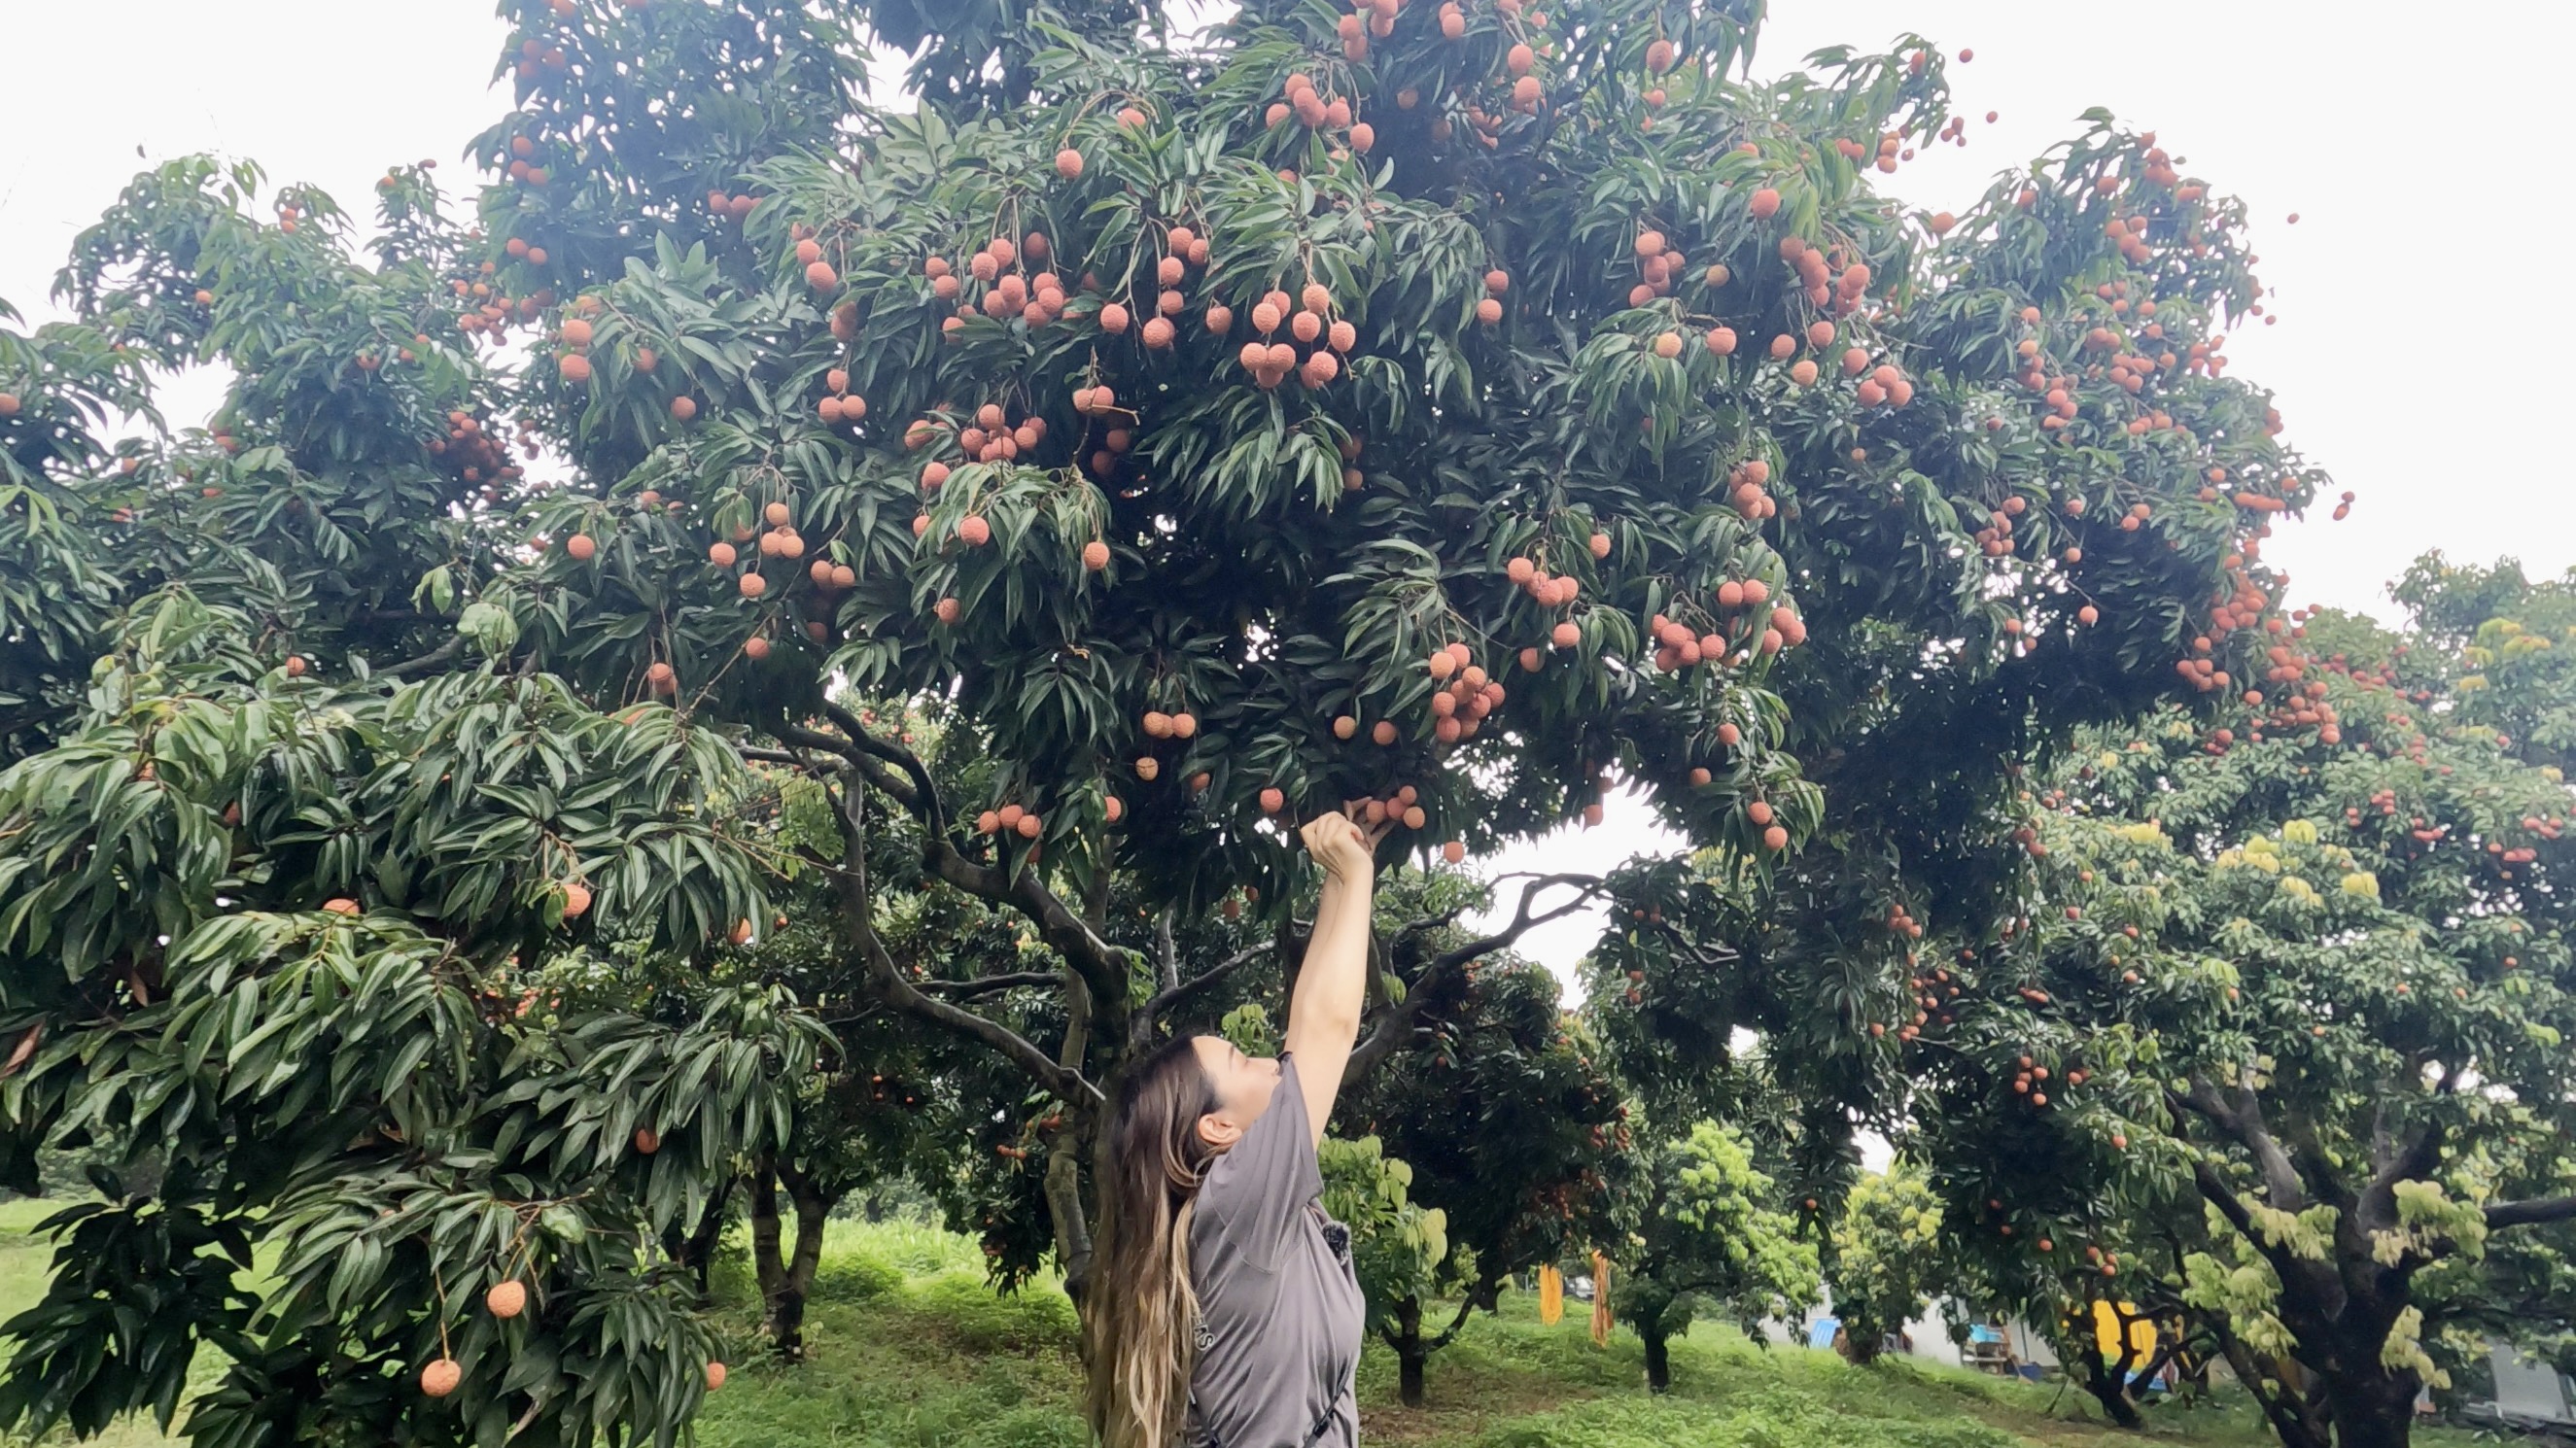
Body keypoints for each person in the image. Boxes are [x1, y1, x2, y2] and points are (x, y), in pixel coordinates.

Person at [1085, 808, 1385, 1448]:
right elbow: (1326, 1029)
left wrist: (1339, 878)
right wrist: (1357, 876)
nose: (1272, 1061)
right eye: (1242, 1060)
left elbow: (1306, 1028)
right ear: (1219, 1128)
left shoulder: (1231, 1216)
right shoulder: (1237, 1201)